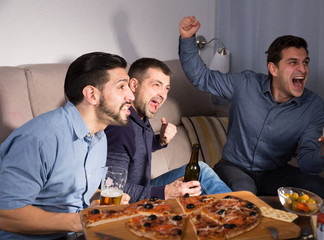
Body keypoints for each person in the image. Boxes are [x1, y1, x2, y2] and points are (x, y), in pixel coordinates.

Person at [178, 16, 324, 199]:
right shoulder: (245, 84)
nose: (303, 69)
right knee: (246, 192)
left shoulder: (313, 107)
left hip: (274, 173)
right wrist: (188, 40)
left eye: (305, 62)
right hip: (234, 168)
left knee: (318, 188)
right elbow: (201, 78)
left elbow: (307, 164)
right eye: (293, 62)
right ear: (273, 69)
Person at [0, 52, 134, 239]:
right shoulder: (40, 138)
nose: (131, 95)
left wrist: (100, 201)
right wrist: (82, 220)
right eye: (121, 86)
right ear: (92, 95)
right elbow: (5, 213)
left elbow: (76, 193)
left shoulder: (100, 137)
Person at [105, 57, 232, 203]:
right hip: (132, 200)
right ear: (133, 85)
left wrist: (159, 141)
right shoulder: (120, 127)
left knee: (198, 179)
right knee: (201, 173)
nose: (163, 95)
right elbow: (112, 189)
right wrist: (165, 192)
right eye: (156, 85)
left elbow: (135, 149)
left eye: (166, 88)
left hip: (146, 187)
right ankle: (240, 210)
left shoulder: (141, 119)